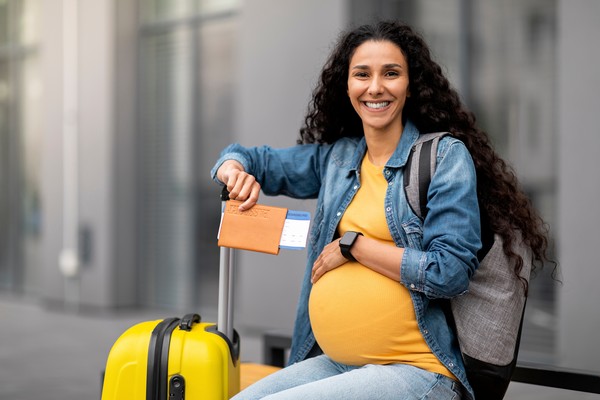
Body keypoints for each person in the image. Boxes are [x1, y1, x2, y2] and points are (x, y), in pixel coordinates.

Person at [211, 21, 550, 400]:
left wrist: (353, 246)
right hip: (338, 361)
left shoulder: (443, 157)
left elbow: (449, 272)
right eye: (362, 74)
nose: (375, 87)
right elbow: (250, 158)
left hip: (418, 369)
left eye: (391, 73)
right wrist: (232, 171)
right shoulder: (339, 159)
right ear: (348, 85)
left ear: (410, 85)